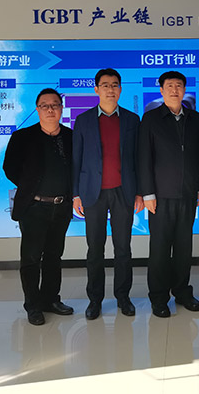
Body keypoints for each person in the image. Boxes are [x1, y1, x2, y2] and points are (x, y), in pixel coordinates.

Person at [72, 68, 144, 320]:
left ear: (120, 89)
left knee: (123, 248)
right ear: (96, 89)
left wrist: (140, 193)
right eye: (105, 85)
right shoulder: (83, 120)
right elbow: (76, 159)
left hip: (124, 191)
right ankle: (95, 300)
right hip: (93, 193)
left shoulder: (132, 120)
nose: (110, 89)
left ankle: (123, 297)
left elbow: (138, 158)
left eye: (114, 85)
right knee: (95, 249)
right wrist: (76, 194)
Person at [3, 88, 74, 326]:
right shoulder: (22, 136)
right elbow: (9, 168)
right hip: (34, 207)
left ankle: (51, 300)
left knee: (54, 256)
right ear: (37, 109)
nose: (50, 109)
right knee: (31, 258)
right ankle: (32, 305)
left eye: (55, 105)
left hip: (61, 206)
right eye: (45, 105)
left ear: (61, 109)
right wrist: (30, 186)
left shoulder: (71, 136)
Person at [138, 71, 199, 318]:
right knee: (160, 249)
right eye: (170, 86)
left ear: (184, 89)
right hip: (160, 196)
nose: (175, 90)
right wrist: (147, 193)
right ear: (162, 90)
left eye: (179, 86)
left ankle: (182, 291)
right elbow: (144, 157)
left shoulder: (195, 118)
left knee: (184, 247)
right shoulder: (151, 118)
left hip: (188, 194)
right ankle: (158, 297)